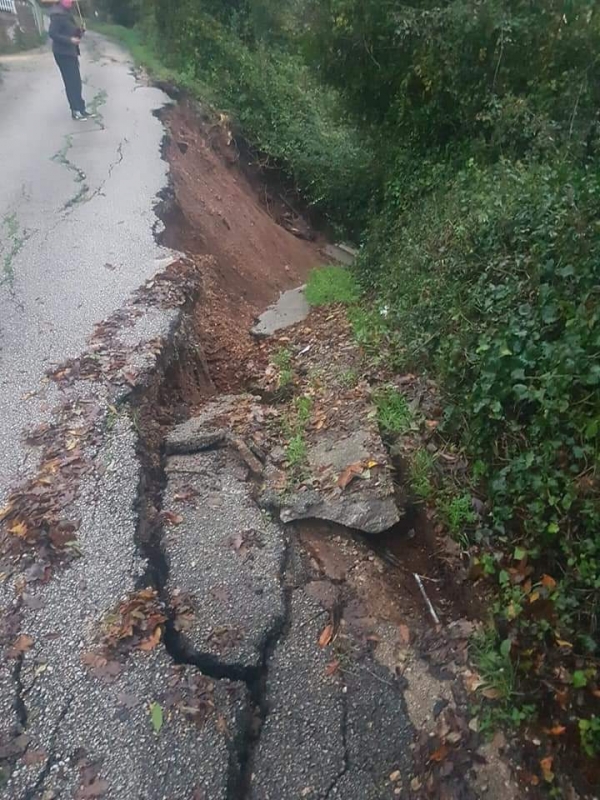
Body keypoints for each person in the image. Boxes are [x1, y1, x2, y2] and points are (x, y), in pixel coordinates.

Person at [49, 0, 95, 121]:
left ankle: (81, 109)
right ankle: (75, 111)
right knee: (71, 83)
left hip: (71, 52)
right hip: (62, 53)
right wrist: (70, 40)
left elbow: (73, 34)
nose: (71, 1)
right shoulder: (57, 14)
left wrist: (80, 31)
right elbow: (53, 34)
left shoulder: (67, 13)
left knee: (76, 82)